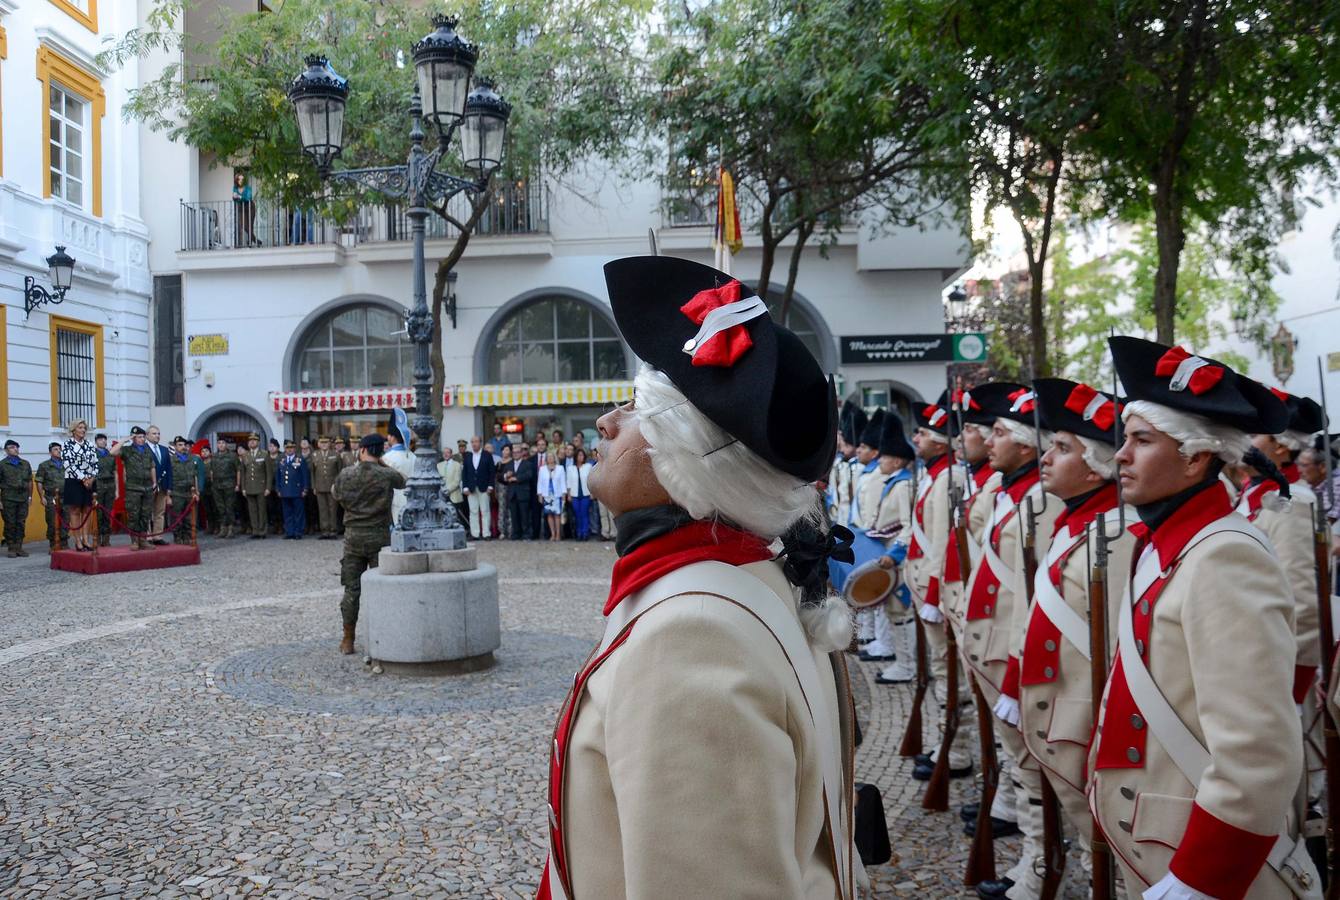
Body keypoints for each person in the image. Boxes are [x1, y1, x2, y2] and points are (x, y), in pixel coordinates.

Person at [538, 256, 856, 899]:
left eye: (636, 409)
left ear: (684, 462)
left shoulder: (689, 633)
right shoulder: (740, 582)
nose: (607, 422)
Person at [1086, 336, 1313, 899]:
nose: (1119, 455)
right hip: (1158, 829)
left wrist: (1202, 879)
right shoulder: (1170, 544)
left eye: (1141, 440)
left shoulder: (1224, 556)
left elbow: (1256, 752)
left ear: (1195, 458)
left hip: (1200, 856)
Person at [1012, 379, 1134, 882]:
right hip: (1061, 702)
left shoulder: (1117, 533)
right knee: (1092, 842)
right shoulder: (1076, 524)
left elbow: (1115, 648)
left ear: (1096, 465)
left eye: (1063, 448)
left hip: (1088, 711)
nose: (1045, 457)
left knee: (1112, 851)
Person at [1237, 389, 1326, 811]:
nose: (1245, 440)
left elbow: (1304, 603)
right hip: (1260, 660)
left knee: (1295, 776)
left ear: (1281, 446)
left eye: (1255, 433)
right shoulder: (1258, 495)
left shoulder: (1293, 502)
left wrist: (1293, 682)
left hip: (1286, 665)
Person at [332, 433, 408, 655]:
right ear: (380, 452)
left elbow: (336, 494)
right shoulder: (385, 474)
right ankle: (381, 637)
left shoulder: (346, 474)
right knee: (381, 589)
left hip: (353, 536)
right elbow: (403, 481)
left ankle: (348, 639)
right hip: (380, 537)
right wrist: (382, 464)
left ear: (362, 450)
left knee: (351, 589)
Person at [864, 412, 916, 682]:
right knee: (890, 608)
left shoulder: (905, 484)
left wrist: (895, 554)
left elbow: (910, 526)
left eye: (883, 457)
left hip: (898, 556)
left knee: (900, 609)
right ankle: (901, 660)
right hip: (886, 552)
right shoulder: (893, 482)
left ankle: (907, 666)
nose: (879, 460)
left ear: (896, 460)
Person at [110, 427, 155, 551]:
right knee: (134, 515)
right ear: (133, 438)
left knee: (145, 515)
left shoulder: (148, 450)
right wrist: (125, 440)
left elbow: (152, 467)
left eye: (142, 437)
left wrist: (154, 483)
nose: (142, 439)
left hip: (147, 487)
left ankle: (143, 539)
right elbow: (112, 452)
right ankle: (134, 540)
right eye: (139, 437)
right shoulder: (127, 450)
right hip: (133, 488)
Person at [58, 419, 99, 552]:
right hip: (74, 481)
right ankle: (77, 541)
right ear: (74, 430)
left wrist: (92, 477)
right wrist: (83, 478)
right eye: (80, 427)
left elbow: (95, 463)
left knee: (86, 510)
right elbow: (68, 465)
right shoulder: (67, 445)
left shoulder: (90, 445)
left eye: (84, 428)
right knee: (75, 511)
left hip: (89, 481)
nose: (83, 430)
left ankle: (86, 539)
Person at [35, 442, 69, 552]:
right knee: (52, 521)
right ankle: (53, 544)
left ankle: (64, 542)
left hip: (66, 496)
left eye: (60, 449)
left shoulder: (67, 464)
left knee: (66, 520)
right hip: (51, 497)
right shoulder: (44, 465)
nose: (59, 451)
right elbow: (39, 481)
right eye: (55, 449)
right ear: (50, 452)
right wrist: (42, 497)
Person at [309, 435, 344, 540]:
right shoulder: (315, 455)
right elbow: (312, 472)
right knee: (322, 509)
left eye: (326, 443)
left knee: (332, 509)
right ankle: (324, 531)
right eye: (322, 443)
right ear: (319, 444)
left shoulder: (335, 454)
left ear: (329, 444)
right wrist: (314, 486)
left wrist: (338, 485)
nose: (324, 445)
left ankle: (333, 531)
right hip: (319, 486)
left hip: (332, 486)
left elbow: (339, 471)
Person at [2, 440, 33, 557]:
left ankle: (19, 546)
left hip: (23, 498)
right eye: (11, 447)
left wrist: (30, 496)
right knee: (10, 523)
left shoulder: (25, 464)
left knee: (21, 523)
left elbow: (30, 481)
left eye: (16, 447)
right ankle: (11, 547)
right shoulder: (2, 465)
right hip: (8, 499)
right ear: (6, 450)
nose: (15, 449)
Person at [274, 439, 310, 540]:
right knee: (287, 513)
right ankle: (289, 531)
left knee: (298, 513)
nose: (289, 450)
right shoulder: (281, 460)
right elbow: (278, 476)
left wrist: (305, 489)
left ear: (294, 449)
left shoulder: (300, 459)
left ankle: (298, 532)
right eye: (287, 448)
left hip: (297, 490)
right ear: (285, 449)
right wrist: (278, 489)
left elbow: (304, 476)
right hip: (285, 491)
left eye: (291, 448)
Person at [462, 435, 496, 540]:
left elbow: (492, 472)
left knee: (485, 510)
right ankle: (475, 534)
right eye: (472, 442)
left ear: (480, 443)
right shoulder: (467, 456)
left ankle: (486, 533)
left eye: (476, 441)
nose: (474, 444)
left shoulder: (487, 455)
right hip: (471, 488)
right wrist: (465, 487)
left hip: (484, 487)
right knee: (473, 511)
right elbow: (465, 473)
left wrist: (491, 485)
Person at [167, 437, 200, 544]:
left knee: (188, 518)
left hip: (189, 492)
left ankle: (187, 536)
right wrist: (168, 495)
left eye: (184, 445)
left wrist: (196, 492)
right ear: (175, 447)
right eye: (180, 445)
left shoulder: (191, 459)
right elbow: (168, 478)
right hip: (176, 492)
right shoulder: (171, 460)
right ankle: (178, 537)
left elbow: (195, 476)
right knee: (177, 517)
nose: (183, 447)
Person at [241, 433, 272, 540]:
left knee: (262, 510)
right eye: (250, 441)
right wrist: (243, 488)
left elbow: (269, 472)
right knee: (252, 510)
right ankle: (255, 531)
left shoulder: (264, 454)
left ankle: (262, 531)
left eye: (254, 440)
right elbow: (243, 473)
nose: (252, 442)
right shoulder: (245, 455)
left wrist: (268, 487)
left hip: (261, 486)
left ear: (258, 442)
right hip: (249, 487)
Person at [146, 425, 172, 544]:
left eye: (158, 433)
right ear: (147, 435)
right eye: (154, 433)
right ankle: (148, 536)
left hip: (163, 486)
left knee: (160, 511)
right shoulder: (144, 449)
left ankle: (158, 536)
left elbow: (169, 469)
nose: (157, 436)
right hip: (149, 485)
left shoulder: (164, 449)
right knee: (147, 511)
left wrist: (169, 487)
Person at [383, 427, 414, 525]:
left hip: (394, 499)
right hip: (412, 497)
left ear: (393, 438)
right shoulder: (413, 456)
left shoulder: (386, 458)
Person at [211, 438, 240, 538]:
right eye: (219, 443)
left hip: (229, 484)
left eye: (223, 443)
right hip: (217, 485)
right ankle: (223, 528)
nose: (221, 445)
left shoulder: (232, 456)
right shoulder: (214, 456)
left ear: (226, 445)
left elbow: (238, 470)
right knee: (220, 508)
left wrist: (237, 484)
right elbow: (211, 470)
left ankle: (231, 528)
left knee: (230, 507)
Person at [93, 433, 118, 547]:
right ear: (96, 441)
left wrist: (117, 490)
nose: (103, 441)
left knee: (107, 513)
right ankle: (97, 538)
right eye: (100, 439)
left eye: (104, 439)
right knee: (97, 513)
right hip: (98, 485)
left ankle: (106, 538)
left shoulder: (110, 454)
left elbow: (115, 472)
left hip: (110, 485)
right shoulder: (92, 454)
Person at [508, 443, 536, 540]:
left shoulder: (527, 464)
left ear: (521, 453)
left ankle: (526, 534)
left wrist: (516, 478)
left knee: (525, 516)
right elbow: (503, 475)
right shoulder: (509, 464)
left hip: (523, 493)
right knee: (514, 516)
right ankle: (516, 534)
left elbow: (529, 475)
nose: (515, 454)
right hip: (512, 494)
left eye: (517, 452)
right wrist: (506, 476)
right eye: (514, 452)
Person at [538, 450, 566, 542]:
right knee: (549, 515)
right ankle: (552, 534)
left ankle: (558, 534)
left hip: (557, 495)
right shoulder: (542, 469)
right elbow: (540, 483)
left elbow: (562, 482)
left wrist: (564, 494)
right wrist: (540, 494)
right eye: (548, 457)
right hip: (547, 495)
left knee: (557, 515)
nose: (550, 458)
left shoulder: (560, 468)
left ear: (555, 458)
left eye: (552, 457)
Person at [437, 449, 467, 529]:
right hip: (442, 495)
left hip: (454, 494)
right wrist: (442, 489)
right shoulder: (439, 465)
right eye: (444, 453)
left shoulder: (457, 465)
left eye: (447, 452)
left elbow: (457, 480)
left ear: (451, 454)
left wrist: (448, 490)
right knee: (443, 514)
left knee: (458, 515)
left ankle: (463, 530)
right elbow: (437, 479)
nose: (446, 454)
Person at [568, 448, 593, 541]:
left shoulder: (588, 466)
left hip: (586, 494)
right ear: (576, 457)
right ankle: (579, 533)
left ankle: (585, 533)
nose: (580, 457)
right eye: (579, 455)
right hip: (574, 495)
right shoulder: (571, 468)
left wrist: (592, 493)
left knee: (584, 514)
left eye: (582, 455)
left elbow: (591, 481)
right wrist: (569, 495)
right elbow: (569, 482)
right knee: (577, 514)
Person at [496, 443, 513, 540]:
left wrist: (504, 476)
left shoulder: (512, 462)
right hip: (501, 488)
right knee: (501, 509)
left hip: (511, 487)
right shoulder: (499, 463)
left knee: (510, 509)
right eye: (503, 450)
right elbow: (497, 476)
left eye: (507, 450)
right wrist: (505, 476)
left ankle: (511, 530)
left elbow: (512, 474)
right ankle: (502, 531)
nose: (505, 452)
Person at [266, 439, 283, 535]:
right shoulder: (266, 457)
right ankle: (274, 525)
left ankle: (280, 525)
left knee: (279, 507)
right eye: (270, 446)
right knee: (270, 507)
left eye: (273, 446)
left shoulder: (282, 457)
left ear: (277, 447)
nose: (271, 448)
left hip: (279, 486)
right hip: (269, 487)